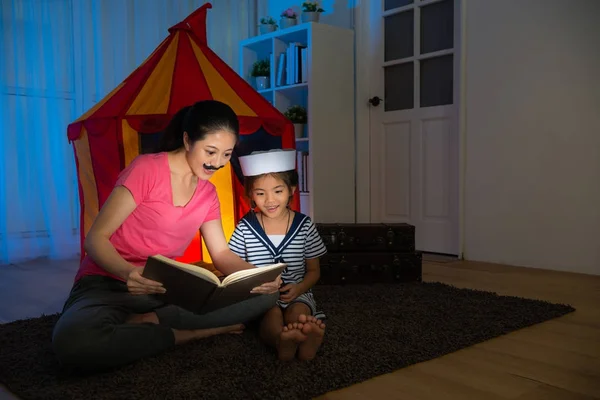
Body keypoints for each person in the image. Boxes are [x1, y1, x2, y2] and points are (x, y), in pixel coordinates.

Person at [52, 100, 282, 371]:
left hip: (160, 292)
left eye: (226, 154)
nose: (218, 163)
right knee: (72, 343)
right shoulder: (146, 169)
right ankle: (188, 333)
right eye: (211, 151)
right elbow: (95, 239)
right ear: (187, 140)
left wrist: (259, 276)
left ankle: (150, 320)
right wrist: (128, 273)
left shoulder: (207, 194)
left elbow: (220, 254)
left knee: (266, 296)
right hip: (107, 282)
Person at [228, 149, 327, 361]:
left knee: (298, 311)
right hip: (261, 296)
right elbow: (232, 266)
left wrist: (299, 288)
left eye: (278, 191)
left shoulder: (305, 225)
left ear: (291, 190)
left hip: (297, 292)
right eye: (260, 193)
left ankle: (305, 336)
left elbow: (314, 270)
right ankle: (281, 340)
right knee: (269, 315)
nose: (270, 200)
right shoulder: (245, 227)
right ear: (250, 194)